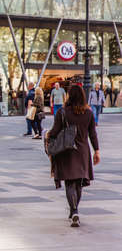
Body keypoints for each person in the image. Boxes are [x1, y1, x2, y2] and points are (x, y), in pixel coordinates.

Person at [47, 85, 100, 227]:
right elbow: (92, 134)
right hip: (82, 150)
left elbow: (55, 131)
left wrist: (48, 136)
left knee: (70, 183)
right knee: (79, 183)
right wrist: (97, 151)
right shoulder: (88, 113)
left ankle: (74, 210)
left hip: (67, 150)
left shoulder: (63, 112)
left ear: (69, 96)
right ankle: (74, 211)